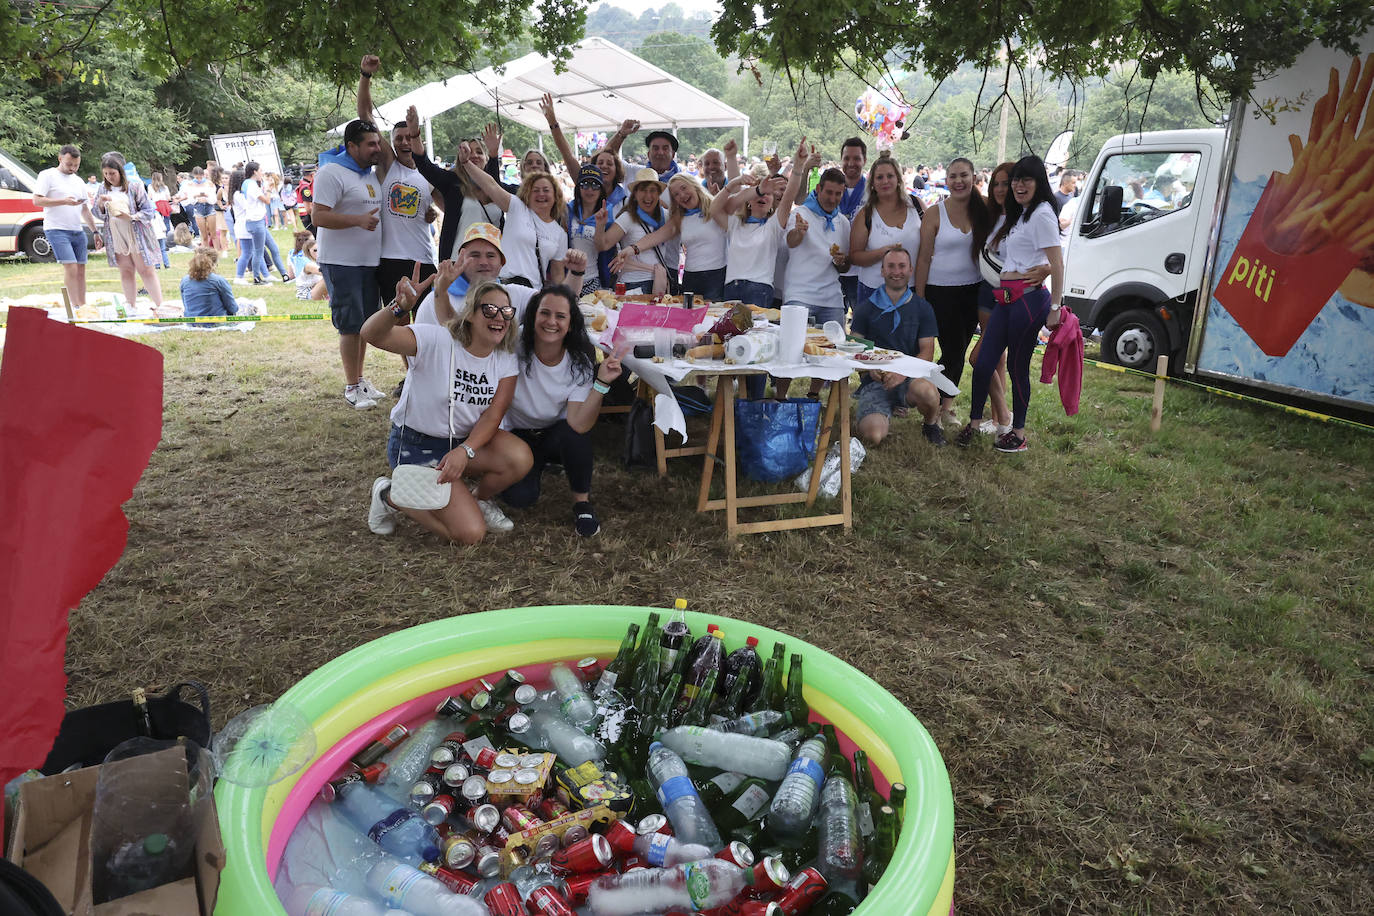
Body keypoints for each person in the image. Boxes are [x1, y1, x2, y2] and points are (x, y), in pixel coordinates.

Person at [363, 272, 534, 543]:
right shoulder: (436, 340)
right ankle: (389, 494)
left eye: (506, 311)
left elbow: (494, 414)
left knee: (519, 457)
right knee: (470, 534)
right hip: (415, 444)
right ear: (469, 314)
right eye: (489, 309)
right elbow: (371, 334)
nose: (499, 316)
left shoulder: (504, 358)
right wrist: (399, 307)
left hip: (460, 443)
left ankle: (478, 500)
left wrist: (465, 452)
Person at [956, 156, 1064, 453]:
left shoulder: (1042, 213)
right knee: (983, 361)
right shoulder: (1023, 213)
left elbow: (1057, 262)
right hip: (1005, 298)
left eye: (1025, 179)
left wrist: (1055, 307)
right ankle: (974, 423)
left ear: (1039, 182)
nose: (1018, 185)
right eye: (1016, 179)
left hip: (1029, 302)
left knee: (1017, 368)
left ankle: (1018, 433)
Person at [501, 285, 624, 537]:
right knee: (519, 499)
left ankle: (582, 503)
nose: (551, 322)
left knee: (574, 435)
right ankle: (532, 466)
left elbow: (579, 424)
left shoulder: (578, 361)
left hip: (555, 432)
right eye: (544, 313)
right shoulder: (512, 344)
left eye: (560, 316)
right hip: (515, 434)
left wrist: (601, 384)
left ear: (570, 323)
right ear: (533, 315)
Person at [313, 119, 387, 409]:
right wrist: (357, 220)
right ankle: (352, 385)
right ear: (351, 146)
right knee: (349, 325)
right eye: (370, 144)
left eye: (377, 143)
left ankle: (360, 380)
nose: (377, 149)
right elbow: (319, 217)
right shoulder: (331, 172)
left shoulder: (368, 174)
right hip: (341, 263)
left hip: (368, 263)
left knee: (365, 325)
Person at [915, 157, 991, 426]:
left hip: (973, 290)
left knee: (958, 349)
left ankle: (945, 406)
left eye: (964, 175)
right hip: (939, 291)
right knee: (950, 349)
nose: (959, 181)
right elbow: (923, 258)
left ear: (973, 178)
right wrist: (920, 298)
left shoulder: (984, 209)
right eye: (953, 176)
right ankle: (933, 405)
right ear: (946, 180)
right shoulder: (935, 213)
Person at [851, 248, 944, 446]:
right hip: (875, 382)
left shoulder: (922, 307)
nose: (896, 271)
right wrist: (870, 369)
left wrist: (902, 374)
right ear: (882, 271)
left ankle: (930, 424)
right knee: (873, 436)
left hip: (909, 378)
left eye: (902, 266)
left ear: (910, 270)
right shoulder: (866, 308)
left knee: (928, 393)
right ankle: (882, 411)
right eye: (890, 266)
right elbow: (855, 349)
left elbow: (927, 351)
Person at [455, 141, 568, 289]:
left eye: (546, 190)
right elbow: (491, 184)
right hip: (502, 286)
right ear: (528, 193)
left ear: (556, 196)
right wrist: (466, 163)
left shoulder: (559, 234)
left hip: (532, 293)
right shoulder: (516, 207)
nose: (541, 194)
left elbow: (558, 274)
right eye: (535, 190)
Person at [608, 174, 728, 299]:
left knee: (715, 315)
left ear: (694, 186)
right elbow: (656, 236)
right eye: (675, 194)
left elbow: (740, 205)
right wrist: (631, 249)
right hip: (691, 277)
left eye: (684, 188)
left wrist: (732, 184)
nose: (681, 195)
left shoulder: (716, 209)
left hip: (716, 276)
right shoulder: (679, 217)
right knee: (690, 316)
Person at [33, 144, 102, 310]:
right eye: (69, 164)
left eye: (76, 165)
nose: (73, 168)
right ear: (60, 159)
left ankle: (82, 304)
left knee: (80, 268)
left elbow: (85, 209)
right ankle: (74, 306)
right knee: (70, 266)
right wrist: (63, 201)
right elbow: (37, 200)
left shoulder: (78, 181)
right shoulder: (47, 175)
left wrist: (95, 231)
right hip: (56, 229)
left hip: (77, 230)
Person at [91, 151, 164, 309]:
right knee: (125, 270)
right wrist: (100, 205)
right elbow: (97, 213)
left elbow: (148, 211)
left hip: (136, 232)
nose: (110, 177)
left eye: (112, 173)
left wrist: (132, 216)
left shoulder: (134, 186)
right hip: (115, 234)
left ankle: (159, 304)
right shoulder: (103, 189)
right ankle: (131, 304)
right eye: (106, 174)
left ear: (120, 172)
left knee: (145, 269)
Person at [849, 154, 922, 306]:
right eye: (879, 177)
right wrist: (883, 253)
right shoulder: (866, 214)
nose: (885, 181)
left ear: (898, 179)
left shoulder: (916, 205)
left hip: (911, 290)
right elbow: (855, 257)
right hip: (874, 292)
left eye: (890, 176)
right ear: (873, 183)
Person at [595, 168, 673, 294]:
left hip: (659, 281)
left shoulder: (667, 216)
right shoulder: (627, 217)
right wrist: (600, 226)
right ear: (635, 194)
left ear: (659, 193)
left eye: (653, 190)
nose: (648, 196)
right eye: (643, 190)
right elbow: (603, 245)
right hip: (633, 285)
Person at [229, 167, 268, 284]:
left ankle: (265, 274)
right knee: (249, 252)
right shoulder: (238, 195)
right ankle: (239, 276)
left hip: (243, 224)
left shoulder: (236, 194)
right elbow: (248, 206)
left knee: (254, 251)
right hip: (244, 225)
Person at [179, 248, 238, 320]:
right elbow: (232, 307)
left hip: (191, 321)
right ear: (214, 264)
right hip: (216, 321)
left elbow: (186, 305)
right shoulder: (218, 281)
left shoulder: (184, 281)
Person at [177, 166, 217, 243]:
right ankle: (205, 252)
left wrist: (206, 197)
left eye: (200, 177)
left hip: (209, 206)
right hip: (197, 207)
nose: (199, 179)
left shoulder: (209, 183)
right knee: (204, 234)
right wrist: (196, 197)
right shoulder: (190, 184)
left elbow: (213, 198)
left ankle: (217, 251)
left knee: (213, 234)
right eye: (197, 177)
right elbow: (190, 199)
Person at [290, 233, 327, 300]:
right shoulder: (308, 264)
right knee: (329, 277)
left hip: (315, 289)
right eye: (315, 250)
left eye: (320, 250)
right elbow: (325, 272)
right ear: (308, 251)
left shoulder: (316, 261)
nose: (318, 253)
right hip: (308, 294)